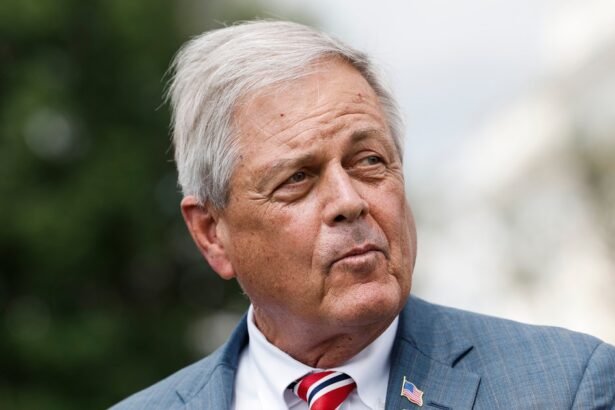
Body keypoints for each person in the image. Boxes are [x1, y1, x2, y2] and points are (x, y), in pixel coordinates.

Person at [112, 20, 615, 410]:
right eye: (298, 178)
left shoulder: (565, 387)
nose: (349, 201)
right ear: (211, 234)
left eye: (369, 161)